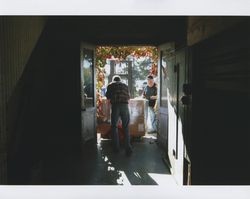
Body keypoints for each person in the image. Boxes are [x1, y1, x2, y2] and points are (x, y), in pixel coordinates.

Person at [105, 75, 133, 156]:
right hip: (125, 106)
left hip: (115, 106)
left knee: (114, 127)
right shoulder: (125, 85)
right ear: (120, 80)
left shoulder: (110, 85)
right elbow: (128, 97)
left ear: (113, 80)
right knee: (126, 127)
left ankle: (116, 148)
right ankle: (128, 148)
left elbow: (107, 97)